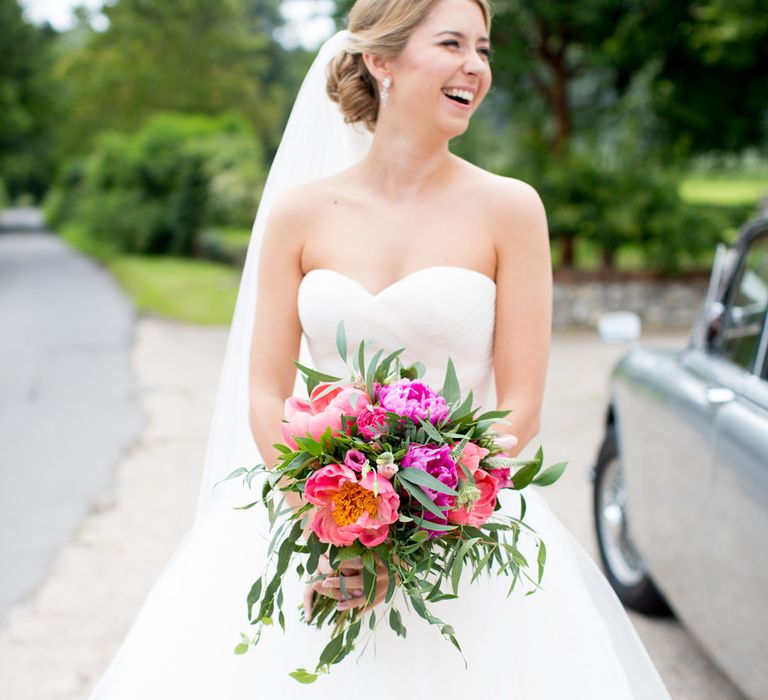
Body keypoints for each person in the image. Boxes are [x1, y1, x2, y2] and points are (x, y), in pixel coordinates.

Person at [89, 1, 671, 697]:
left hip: (461, 534)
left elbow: (520, 407)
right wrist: (329, 520)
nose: (475, 67)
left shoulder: (512, 210)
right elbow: (266, 394)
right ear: (381, 59)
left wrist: (413, 534)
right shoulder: (299, 214)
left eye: (483, 49)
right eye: (452, 43)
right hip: (313, 519)